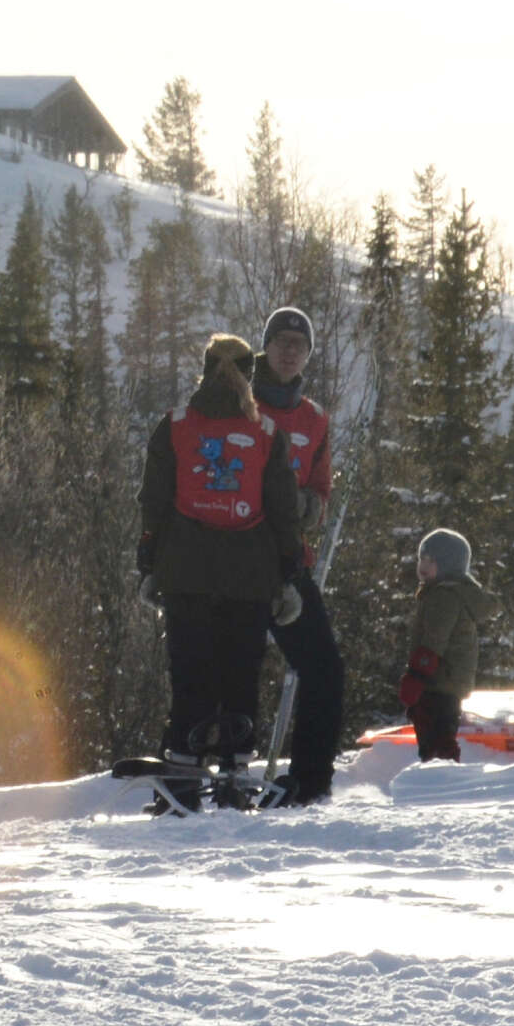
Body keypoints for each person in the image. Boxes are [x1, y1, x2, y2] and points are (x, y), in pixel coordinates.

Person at [135, 334, 305, 805]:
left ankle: (181, 781)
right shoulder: (266, 432)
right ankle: (235, 778)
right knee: (240, 675)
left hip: (185, 570)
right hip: (250, 575)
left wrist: (149, 564)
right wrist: (289, 573)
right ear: (251, 374)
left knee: (190, 674)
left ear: (204, 369)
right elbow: (283, 511)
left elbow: (153, 502)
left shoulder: (174, 425)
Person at [253, 304, 350, 805]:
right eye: (282, 342)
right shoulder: (240, 403)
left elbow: (321, 489)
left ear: (308, 355)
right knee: (229, 668)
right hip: (236, 558)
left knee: (324, 670)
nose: (290, 352)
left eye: (299, 345)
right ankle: (216, 771)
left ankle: (311, 781)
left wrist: (307, 505)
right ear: (266, 347)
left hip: (290, 563)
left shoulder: (314, 419)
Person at [400, 529, 490, 764]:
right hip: (444, 680)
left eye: (431, 560)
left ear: (449, 566)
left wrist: (417, 676)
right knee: (434, 734)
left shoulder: (444, 596)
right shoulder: (439, 592)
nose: (423, 565)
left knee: (437, 738)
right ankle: (437, 772)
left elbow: (434, 640)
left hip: (440, 680)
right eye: (422, 558)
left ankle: (443, 776)